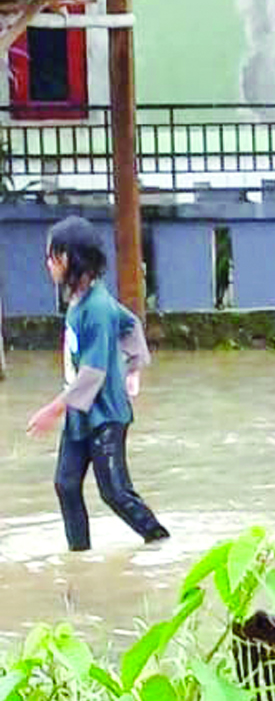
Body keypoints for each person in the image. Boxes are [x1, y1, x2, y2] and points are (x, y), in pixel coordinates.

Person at [24, 217, 167, 552]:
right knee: (66, 484)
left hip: (105, 416)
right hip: (80, 413)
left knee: (114, 492)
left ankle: (160, 541)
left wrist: (51, 410)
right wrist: (134, 366)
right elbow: (130, 324)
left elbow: (92, 374)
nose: (48, 264)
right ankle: (79, 554)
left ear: (72, 259)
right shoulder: (80, 300)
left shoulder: (98, 307)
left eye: (53, 257)